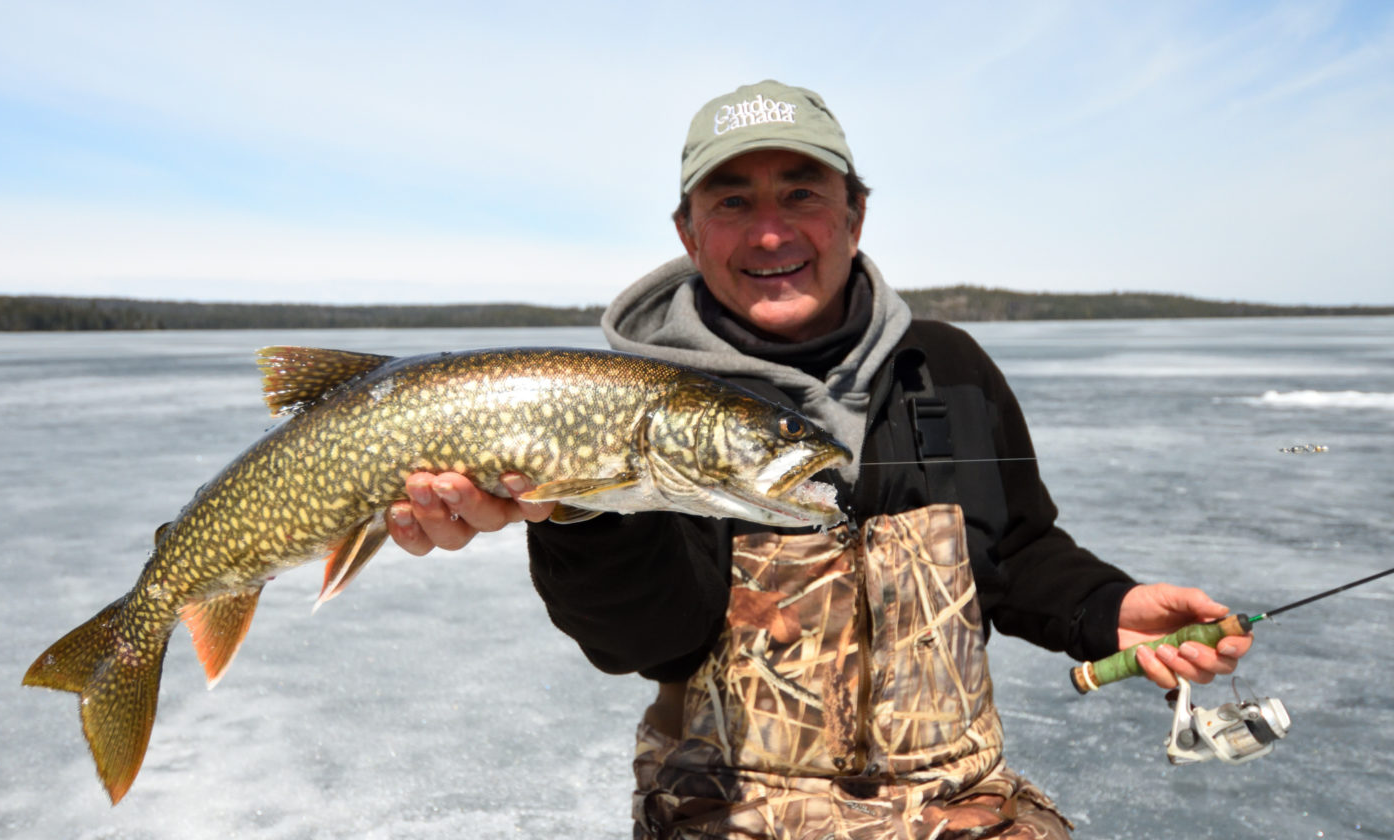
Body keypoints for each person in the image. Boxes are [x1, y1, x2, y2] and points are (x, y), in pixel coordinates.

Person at [388, 80, 1252, 838]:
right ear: (689, 232)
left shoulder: (945, 369)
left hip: (953, 804)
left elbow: (1015, 549)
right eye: (731, 203)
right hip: (728, 811)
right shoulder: (648, 403)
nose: (770, 233)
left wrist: (1111, 607)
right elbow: (645, 638)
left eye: (801, 193)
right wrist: (580, 512)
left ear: (854, 214)